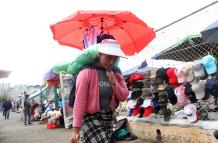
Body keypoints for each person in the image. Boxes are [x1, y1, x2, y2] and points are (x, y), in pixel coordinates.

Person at [70, 39, 129, 143]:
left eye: (115, 58)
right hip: (89, 116)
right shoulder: (86, 73)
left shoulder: (116, 73)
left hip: (109, 116)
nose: (111, 61)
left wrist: (114, 82)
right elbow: (79, 102)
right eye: (108, 57)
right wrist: (76, 130)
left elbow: (124, 96)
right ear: (100, 54)